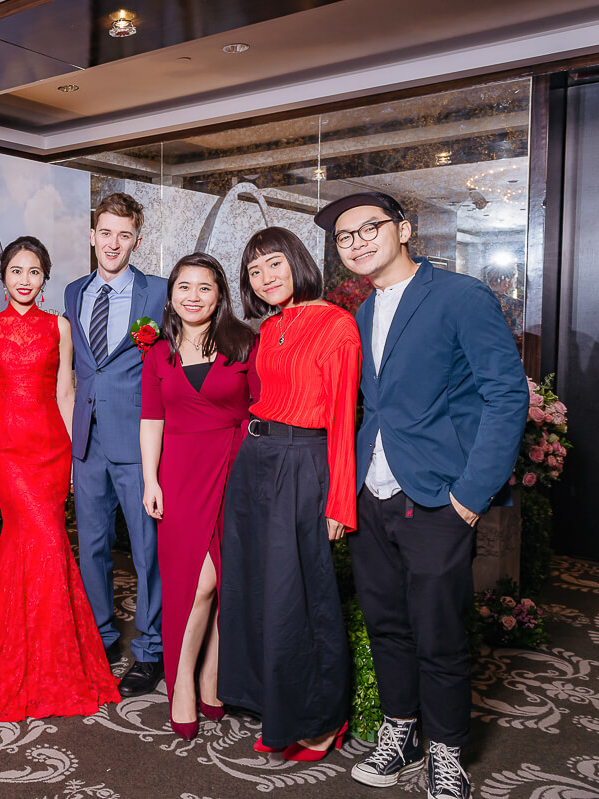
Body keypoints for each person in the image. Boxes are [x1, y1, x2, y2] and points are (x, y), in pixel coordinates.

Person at [315, 192, 527, 799]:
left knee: (439, 632)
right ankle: (401, 730)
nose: (356, 242)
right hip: (373, 493)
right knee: (386, 625)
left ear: (404, 230)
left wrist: (471, 495)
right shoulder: (359, 314)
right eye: (344, 237)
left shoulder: (460, 296)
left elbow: (506, 395)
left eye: (369, 228)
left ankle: (446, 750)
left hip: (437, 497)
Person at [0, 236, 122, 720]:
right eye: (16, 271)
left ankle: (39, 646)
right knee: (42, 539)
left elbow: (65, 393)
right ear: (3, 276)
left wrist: (75, 458)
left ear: (44, 278)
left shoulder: (60, 326)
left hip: (51, 449)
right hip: (8, 453)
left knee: (38, 543)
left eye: (34, 271)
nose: (25, 280)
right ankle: (18, 646)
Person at [218, 226, 360, 762]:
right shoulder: (272, 325)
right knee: (253, 586)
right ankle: (271, 704)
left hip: (302, 463)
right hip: (255, 461)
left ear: (297, 261)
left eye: (273, 264)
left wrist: (340, 501)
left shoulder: (336, 324)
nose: (265, 277)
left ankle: (320, 719)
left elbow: (342, 418)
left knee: (299, 594)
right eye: (254, 271)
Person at [140, 253, 257, 740]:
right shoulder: (156, 352)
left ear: (219, 295)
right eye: (183, 287)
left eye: (204, 287)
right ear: (170, 296)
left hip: (234, 468)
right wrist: (150, 480)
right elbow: (152, 419)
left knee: (226, 580)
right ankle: (182, 682)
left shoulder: (244, 344)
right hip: (180, 474)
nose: (193, 296)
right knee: (194, 582)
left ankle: (212, 675)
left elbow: (263, 408)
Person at [63, 192, 168, 698]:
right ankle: (100, 637)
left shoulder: (159, 293)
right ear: (92, 235)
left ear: (136, 241)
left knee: (147, 550)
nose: (113, 243)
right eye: (105, 232)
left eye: (123, 235)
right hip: (86, 441)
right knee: (92, 547)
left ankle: (150, 650)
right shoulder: (73, 291)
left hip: (138, 437)